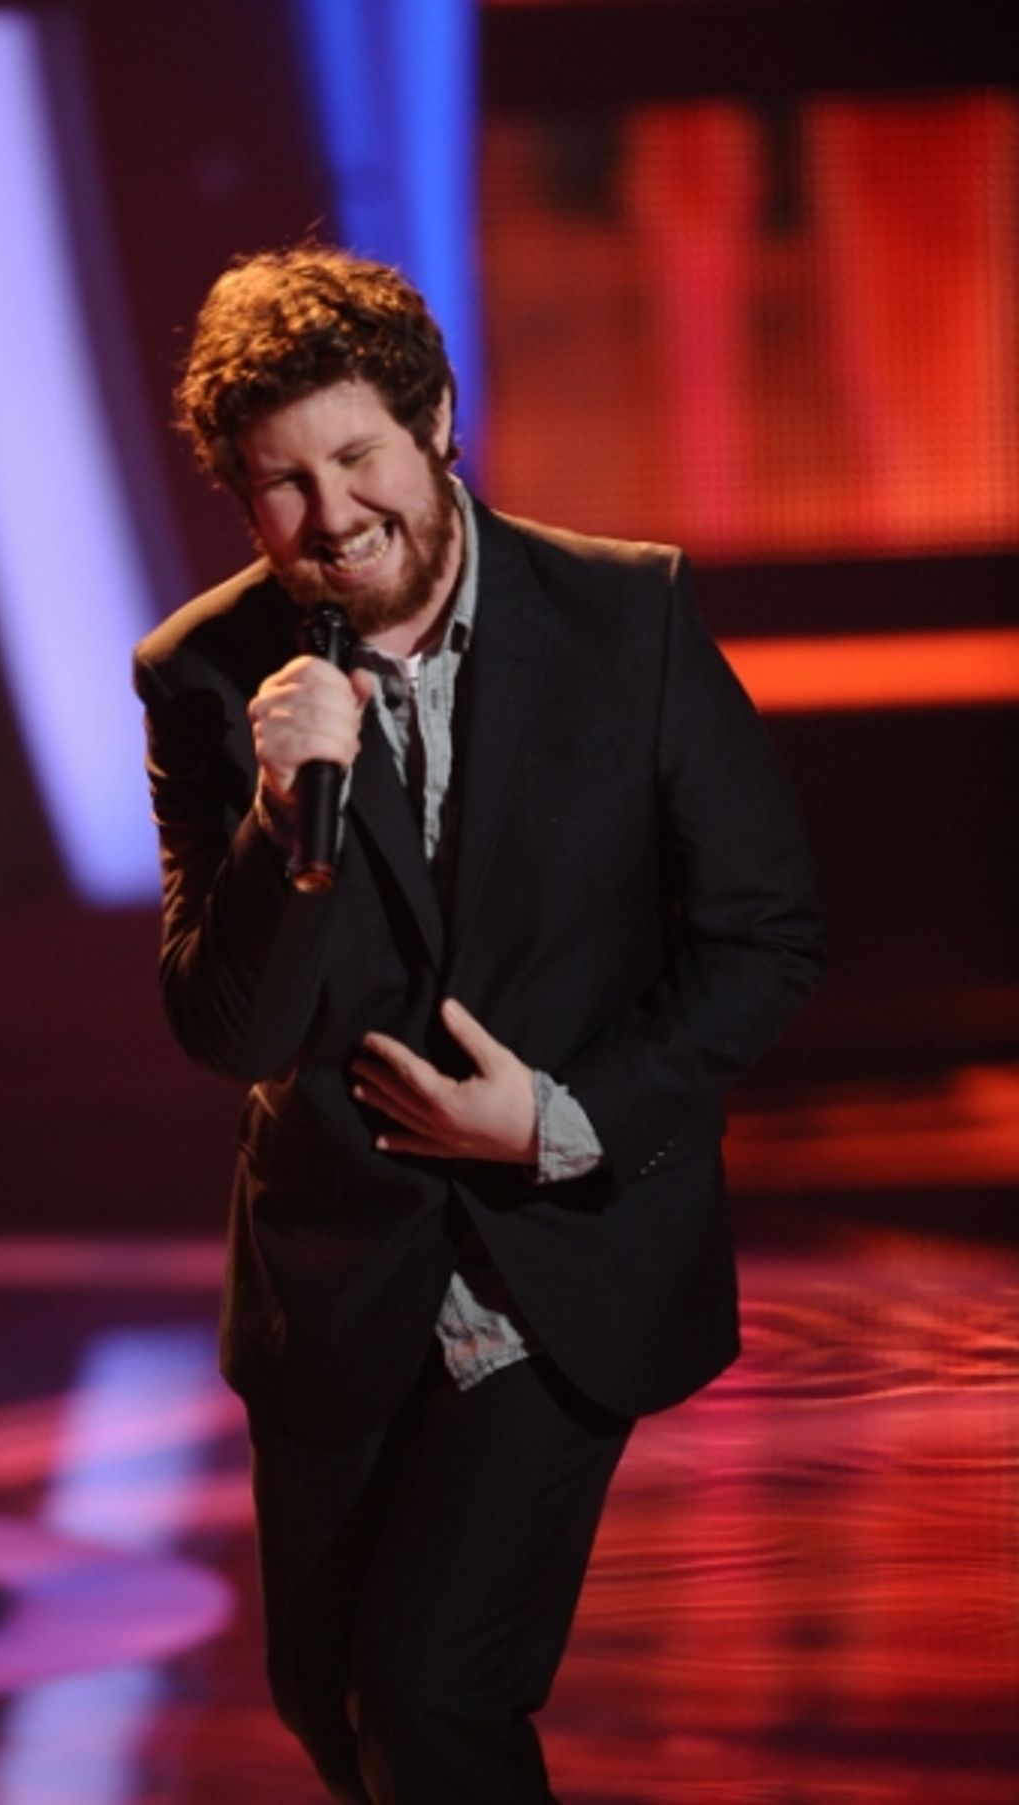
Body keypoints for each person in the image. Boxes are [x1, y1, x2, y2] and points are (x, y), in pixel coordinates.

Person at [134, 244, 825, 1804]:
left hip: (559, 1255)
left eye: (358, 454)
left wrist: (559, 1119)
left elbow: (768, 934)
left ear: (437, 416)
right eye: (281, 485)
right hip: (338, 1277)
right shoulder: (203, 673)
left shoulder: (624, 615)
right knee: (337, 1711)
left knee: (431, 1693)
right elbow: (232, 1032)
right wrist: (271, 810)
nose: (332, 516)